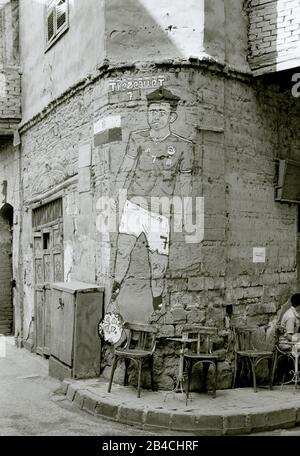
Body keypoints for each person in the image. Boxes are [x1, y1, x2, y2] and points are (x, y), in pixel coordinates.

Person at [110, 87, 194, 312]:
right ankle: (116, 286)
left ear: (171, 117)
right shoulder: (137, 137)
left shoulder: (184, 146)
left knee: (158, 263)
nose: (155, 116)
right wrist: (116, 196)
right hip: (134, 206)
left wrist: (182, 213)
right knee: (122, 250)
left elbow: (185, 183)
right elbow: (125, 169)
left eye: (160, 112)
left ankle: (157, 300)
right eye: (152, 111)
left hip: (161, 212)